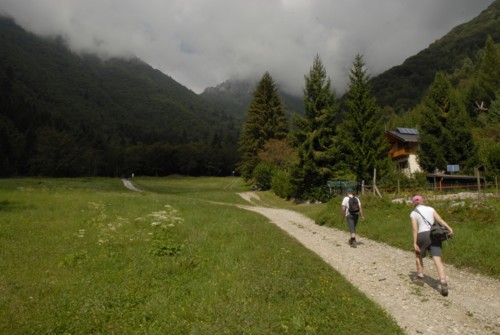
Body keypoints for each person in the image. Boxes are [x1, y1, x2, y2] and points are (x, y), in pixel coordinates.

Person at [410, 195, 454, 296]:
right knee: (437, 259)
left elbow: (414, 229)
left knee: (418, 256)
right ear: (422, 201)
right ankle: (443, 282)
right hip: (434, 235)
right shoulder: (430, 209)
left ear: (413, 203)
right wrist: (449, 228)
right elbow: (440, 220)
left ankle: (420, 278)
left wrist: (414, 242)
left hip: (422, 235)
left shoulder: (413, 213)